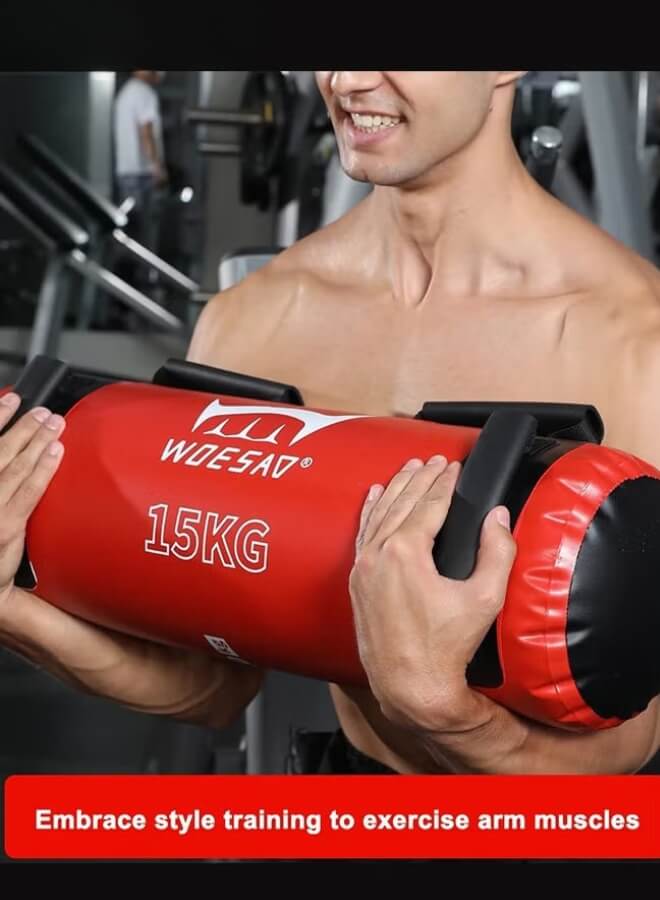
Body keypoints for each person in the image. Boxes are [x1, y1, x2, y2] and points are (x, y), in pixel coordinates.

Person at [1, 71, 660, 775]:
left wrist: (446, 713)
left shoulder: (632, 337)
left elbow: (632, 743)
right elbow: (216, 682)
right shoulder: (258, 318)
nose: (345, 79)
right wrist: (18, 612)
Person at [113, 70, 168, 255]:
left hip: (125, 170)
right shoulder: (145, 93)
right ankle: (146, 280)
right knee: (146, 234)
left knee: (129, 231)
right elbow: (146, 132)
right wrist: (156, 166)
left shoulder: (125, 92)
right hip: (143, 173)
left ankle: (128, 276)